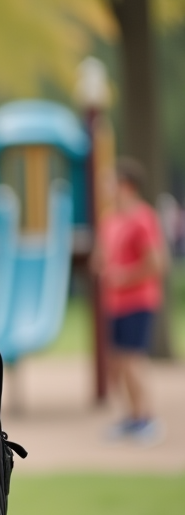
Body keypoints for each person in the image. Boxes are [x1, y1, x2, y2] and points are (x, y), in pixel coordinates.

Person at [95, 157, 169, 444]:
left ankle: (146, 418)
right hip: (114, 303)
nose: (105, 188)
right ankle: (131, 417)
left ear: (126, 185)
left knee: (132, 361)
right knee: (116, 363)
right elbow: (104, 258)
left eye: (110, 182)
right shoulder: (109, 219)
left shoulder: (143, 218)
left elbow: (156, 263)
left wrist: (125, 276)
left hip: (138, 301)